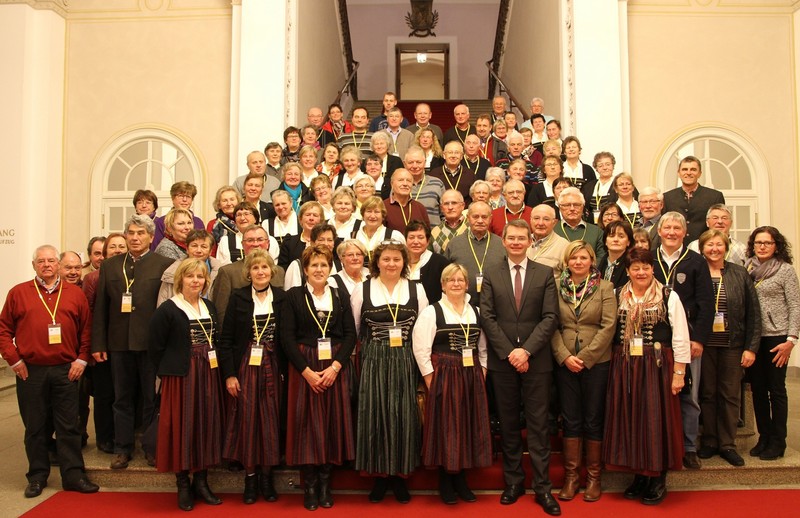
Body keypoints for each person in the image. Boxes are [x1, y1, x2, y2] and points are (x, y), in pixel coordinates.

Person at [0, 245, 99, 498]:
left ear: (58, 265)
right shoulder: (19, 293)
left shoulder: (74, 294)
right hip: (30, 372)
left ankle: (73, 475)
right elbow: (3, 331)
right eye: (41, 261)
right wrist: (14, 360)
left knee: (69, 426)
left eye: (51, 261)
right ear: (34, 265)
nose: (46, 265)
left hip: (67, 370)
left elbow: (86, 331)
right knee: (35, 427)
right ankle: (37, 476)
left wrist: (81, 360)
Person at [480, 219, 561, 515]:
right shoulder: (491, 273)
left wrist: (525, 350)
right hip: (503, 362)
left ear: (530, 241)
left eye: (521, 238)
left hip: (536, 361)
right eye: (510, 238)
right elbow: (487, 317)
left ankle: (542, 488)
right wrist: (510, 352)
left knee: (539, 427)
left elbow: (551, 317)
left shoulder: (544, 273)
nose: (515, 242)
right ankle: (513, 483)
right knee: (509, 424)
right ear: (504, 241)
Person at [603, 247, 690, 506]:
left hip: (657, 366)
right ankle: (639, 474)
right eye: (635, 268)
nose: (641, 272)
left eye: (645, 267)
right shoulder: (618, 295)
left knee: (655, 419)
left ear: (653, 268)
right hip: (625, 365)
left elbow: (681, 336)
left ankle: (657, 477)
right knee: (630, 418)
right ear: (628, 271)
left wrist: (679, 373)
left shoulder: (668, 295)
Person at [92, 215, 174, 469]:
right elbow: (101, 309)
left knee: (151, 398)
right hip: (118, 343)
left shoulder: (165, 264)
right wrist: (98, 344)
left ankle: (151, 447)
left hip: (151, 345)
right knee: (121, 398)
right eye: (131, 233)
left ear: (151, 237)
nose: (135, 237)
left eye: (141, 233)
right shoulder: (110, 266)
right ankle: (123, 447)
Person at [351, 240, 428, 503]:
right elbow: (355, 328)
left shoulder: (417, 289)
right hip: (374, 359)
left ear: (404, 262)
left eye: (397, 259)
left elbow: (423, 329)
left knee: (402, 416)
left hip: (405, 359)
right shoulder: (363, 289)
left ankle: (399, 477)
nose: (391, 264)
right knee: (376, 414)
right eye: (386, 259)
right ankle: (379, 478)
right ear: (377, 262)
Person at [282, 246, 357, 510]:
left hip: (333, 368)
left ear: (330, 269)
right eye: (313, 265)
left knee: (330, 425)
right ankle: (310, 485)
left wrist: (336, 367)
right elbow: (287, 338)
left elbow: (350, 335)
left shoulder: (339, 295)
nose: (319, 270)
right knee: (306, 426)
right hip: (304, 369)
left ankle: (326, 484)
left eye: (324, 265)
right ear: (305, 270)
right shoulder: (293, 296)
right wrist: (306, 372)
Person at [148, 258, 224, 511]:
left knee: (205, 424)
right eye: (190, 276)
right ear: (181, 279)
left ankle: (201, 481)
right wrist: (171, 371)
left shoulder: (209, 306)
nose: (195, 281)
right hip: (182, 376)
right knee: (184, 426)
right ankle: (183, 483)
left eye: (200, 277)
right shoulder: (168, 309)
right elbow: (155, 348)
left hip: (209, 373)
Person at [412, 263, 491, 504]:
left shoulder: (475, 311)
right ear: (443, 285)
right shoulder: (432, 312)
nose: (456, 283)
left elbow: (483, 347)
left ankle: (461, 479)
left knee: (467, 424)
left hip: (471, 374)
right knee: (448, 426)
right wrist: (431, 379)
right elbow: (421, 349)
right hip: (444, 374)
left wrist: (482, 372)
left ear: (467, 284)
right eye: (450, 280)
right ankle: (446, 480)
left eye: (460, 280)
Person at [218, 250, 286, 504]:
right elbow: (226, 340)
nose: (260, 272)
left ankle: (266, 478)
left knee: (270, 419)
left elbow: (286, 337)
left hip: (273, 364)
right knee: (247, 420)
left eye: (265, 268)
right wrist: (230, 375)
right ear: (249, 272)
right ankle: (250, 477)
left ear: (272, 271)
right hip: (246, 364)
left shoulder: (281, 298)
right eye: (255, 268)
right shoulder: (238, 298)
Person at [551, 241, 616, 502]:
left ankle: (593, 478)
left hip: (596, 362)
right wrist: (565, 356)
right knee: (571, 419)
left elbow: (608, 326)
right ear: (567, 261)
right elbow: (550, 324)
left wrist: (586, 357)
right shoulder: (555, 287)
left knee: (592, 419)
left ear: (592, 260)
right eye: (574, 258)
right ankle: (571, 478)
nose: (578, 262)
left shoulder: (605, 287)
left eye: (584, 257)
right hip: (564, 361)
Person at [653, 211, 714, 470]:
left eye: (677, 228)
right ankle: (658, 443)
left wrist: (698, 339)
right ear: (659, 231)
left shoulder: (696, 261)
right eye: (667, 227)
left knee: (688, 393)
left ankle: (689, 447)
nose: (671, 232)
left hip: (687, 336)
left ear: (685, 232)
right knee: (655, 393)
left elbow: (706, 303)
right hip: (654, 336)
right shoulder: (649, 259)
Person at [696, 229, 760, 467]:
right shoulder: (697, 272)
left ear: (726, 247)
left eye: (719, 245)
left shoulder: (740, 273)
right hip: (704, 345)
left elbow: (753, 313)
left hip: (733, 344)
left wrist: (751, 347)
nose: (714, 249)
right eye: (709, 245)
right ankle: (710, 441)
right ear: (702, 248)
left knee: (730, 395)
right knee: (708, 393)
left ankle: (727, 444)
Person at [745, 226, 800, 461]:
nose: (762, 247)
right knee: (757, 390)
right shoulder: (748, 269)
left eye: (767, 243)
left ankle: (778, 441)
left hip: (778, 338)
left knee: (776, 390)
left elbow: (795, 305)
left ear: (776, 245)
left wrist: (791, 340)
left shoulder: (785, 270)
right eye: (758, 243)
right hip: (754, 338)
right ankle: (764, 437)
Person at [82, 233, 128, 455]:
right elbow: (90, 315)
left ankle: (121, 436)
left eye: (122, 246)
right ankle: (104, 438)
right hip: (103, 346)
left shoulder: (129, 272)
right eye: (113, 247)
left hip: (123, 343)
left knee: (123, 393)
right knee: (105, 394)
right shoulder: (93, 279)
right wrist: (94, 346)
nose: (117, 251)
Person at [209, 225, 286, 324]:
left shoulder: (279, 271)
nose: (255, 244)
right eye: (250, 240)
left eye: (260, 239)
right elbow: (221, 312)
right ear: (242, 244)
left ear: (268, 243)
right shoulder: (227, 272)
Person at [444, 201, 506, 304]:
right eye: (475, 217)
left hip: (496, 305)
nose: (480, 221)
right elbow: (446, 276)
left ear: (490, 219)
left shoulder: (501, 244)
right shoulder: (454, 244)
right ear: (468, 218)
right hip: (462, 305)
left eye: (484, 217)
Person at [663, 155, 726, 244]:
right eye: (685, 169)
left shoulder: (715, 196)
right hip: (676, 247)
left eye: (693, 169)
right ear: (678, 173)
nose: (688, 173)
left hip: (705, 247)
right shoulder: (667, 197)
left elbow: (720, 225)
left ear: (700, 173)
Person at [158, 229, 223, 306]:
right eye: (194, 246)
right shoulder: (172, 272)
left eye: (204, 247)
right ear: (187, 249)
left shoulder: (221, 272)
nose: (199, 250)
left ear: (210, 251)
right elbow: (162, 304)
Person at [554, 187, 605, 265]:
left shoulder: (597, 232)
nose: (572, 208)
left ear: (583, 206)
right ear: (560, 207)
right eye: (567, 205)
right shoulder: (553, 230)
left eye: (576, 205)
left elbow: (601, 258)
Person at [405, 220, 451, 304]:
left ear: (428, 241)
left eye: (420, 237)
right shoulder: (399, 263)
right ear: (406, 240)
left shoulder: (440, 263)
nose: (416, 242)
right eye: (411, 237)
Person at [283, 223, 340, 289]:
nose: (326, 244)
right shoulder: (297, 266)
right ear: (312, 243)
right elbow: (292, 296)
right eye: (321, 240)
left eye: (330, 240)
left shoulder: (339, 265)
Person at [151, 181, 204, 251]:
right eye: (180, 196)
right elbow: (156, 250)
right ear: (173, 199)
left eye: (188, 197)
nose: (184, 200)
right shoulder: (162, 221)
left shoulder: (198, 222)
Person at [404, 146, 445, 226]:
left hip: (433, 236)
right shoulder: (398, 185)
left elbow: (445, 214)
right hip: (405, 236)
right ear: (404, 164)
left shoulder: (437, 184)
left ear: (425, 162)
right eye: (410, 162)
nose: (415, 166)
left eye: (418, 162)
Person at [277, 201, 324, 269]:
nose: (311, 218)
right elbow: (282, 269)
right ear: (301, 219)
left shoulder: (328, 242)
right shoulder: (289, 242)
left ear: (321, 220)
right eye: (307, 215)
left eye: (315, 215)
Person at [527, 204, 570, 277]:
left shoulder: (564, 246)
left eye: (546, 219)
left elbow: (569, 278)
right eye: (536, 218)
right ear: (530, 220)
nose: (540, 223)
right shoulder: (522, 242)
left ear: (554, 222)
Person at [429, 140, 475, 205]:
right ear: (444, 155)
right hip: (442, 213)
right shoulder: (434, 174)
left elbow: (473, 198)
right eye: (450, 152)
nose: (453, 156)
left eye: (456, 153)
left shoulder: (470, 174)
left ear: (461, 156)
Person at [580, 152, 618, 223]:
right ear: (596, 168)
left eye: (608, 164)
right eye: (600, 165)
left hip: (613, 225)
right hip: (592, 225)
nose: (605, 168)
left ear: (613, 166)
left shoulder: (620, 185)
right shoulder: (589, 186)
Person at [599, 221, 635, 290]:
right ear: (605, 241)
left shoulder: (632, 263)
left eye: (621, 236)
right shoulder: (600, 264)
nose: (616, 240)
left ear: (628, 242)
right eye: (611, 236)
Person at [207, 186, 241, 258]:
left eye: (232, 199)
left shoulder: (245, 221)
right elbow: (211, 251)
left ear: (238, 201)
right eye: (224, 201)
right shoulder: (212, 224)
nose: (229, 203)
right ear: (219, 205)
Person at [430, 189, 467, 254]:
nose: (450, 207)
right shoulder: (434, 232)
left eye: (454, 203)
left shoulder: (473, 227)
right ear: (441, 208)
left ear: (462, 206)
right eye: (446, 204)